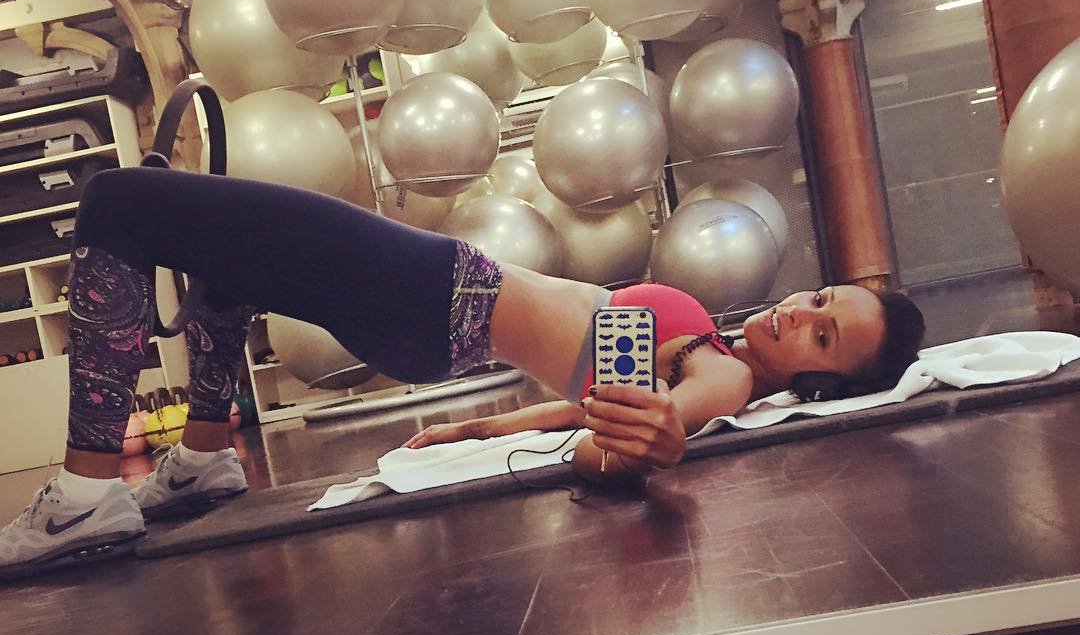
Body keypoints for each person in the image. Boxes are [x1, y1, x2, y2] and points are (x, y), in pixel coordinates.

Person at [0, 166, 924, 575]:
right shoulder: (704, 350)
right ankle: (203, 459)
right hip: (438, 311)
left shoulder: (724, 377)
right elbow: (601, 401)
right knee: (229, 268)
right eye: (821, 298)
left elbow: (647, 427)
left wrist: (647, 446)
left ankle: (85, 495)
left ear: (816, 386)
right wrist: (480, 428)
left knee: (119, 202)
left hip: (437, 291)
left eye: (822, 338)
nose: (799, 312)